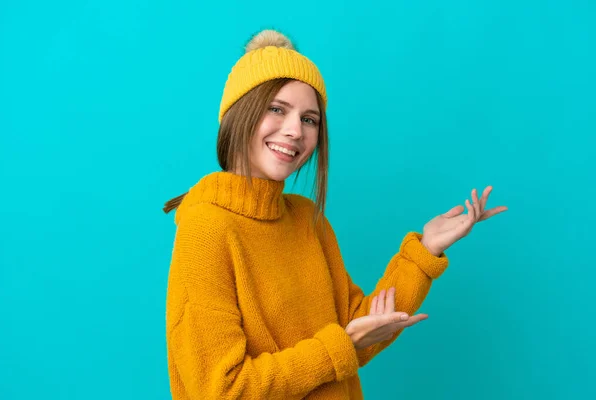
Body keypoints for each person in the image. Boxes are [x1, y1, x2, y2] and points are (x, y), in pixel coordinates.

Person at [162, 29, 507, 400]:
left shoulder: (307, 219)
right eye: (277, 109)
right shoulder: (207, 228)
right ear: (238, 114)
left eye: (310, 119)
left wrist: (426, 251)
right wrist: (339, 345)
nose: (295, 130)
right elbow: (221, 390)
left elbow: (360, 333)